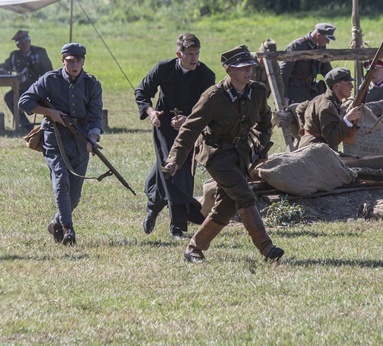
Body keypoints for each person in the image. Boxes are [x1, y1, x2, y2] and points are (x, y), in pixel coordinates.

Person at [163, 44, 284, 263]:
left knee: (227, 205)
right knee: (245, 195)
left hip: (241, 154)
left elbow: (266, 121)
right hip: (216, 153)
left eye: (249, 66)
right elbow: (190, 129)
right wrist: (174, 159)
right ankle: (267, 248)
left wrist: (261, 148)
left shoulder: (257, 91)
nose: (247, 71)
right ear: (228, 70)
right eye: (241, 67)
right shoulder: (213, 97)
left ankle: (194, 248)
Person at [18, 43, 103, 246]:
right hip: (54, 138)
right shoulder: (49, 79)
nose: (74, 65)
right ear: (62, 61)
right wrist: (50, 113)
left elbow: (95, 117)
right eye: (70, 61)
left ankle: (56, 221)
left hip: (81, 139)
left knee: (74, 195)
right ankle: (68, 230)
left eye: (78, 60)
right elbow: (24, 101)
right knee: (61, 182)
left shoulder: (92, 84)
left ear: (83, 61)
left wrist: (93, 139)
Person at [134, 33, 215, 241]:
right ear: (179, 54)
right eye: (189, 54)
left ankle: (153, 205)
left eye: (197, 54)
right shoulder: (163, 68)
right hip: (163, 124)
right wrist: (151, 112)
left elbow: (208, 108)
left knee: (180, 173)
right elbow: (142, 91)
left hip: (189, 127)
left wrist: (187, 121)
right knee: (170, 168)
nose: (193, 59)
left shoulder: (206, 75)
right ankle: (178, 228)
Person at [0, 30, 53, 133]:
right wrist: (3, 69)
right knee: (9, 97)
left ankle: (47, 124)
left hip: (39, 88)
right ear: (17, 46)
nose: (24, 45)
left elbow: (49, 71)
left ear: (29, 41)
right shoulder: (15, 56)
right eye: (20, 43)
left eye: (25, 42)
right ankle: (25, 124)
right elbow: (5, 66)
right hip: (21, 88)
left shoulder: (40, 52)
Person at [298, 67, 361, 151]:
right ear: (336, 86)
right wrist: (347, 119)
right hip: (315, 151)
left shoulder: (320, 99)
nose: (352, 86)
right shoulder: (328, 106)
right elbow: (332, 140)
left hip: (312, 147)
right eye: (348, 83)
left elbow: (301, 108)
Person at [280, 23, 335, 107]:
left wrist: (337, 84)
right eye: (327, 39)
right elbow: (284, 73)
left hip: (311, 90)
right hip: (295, 91)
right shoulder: (297, 46)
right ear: (318, 35)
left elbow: (326, 70)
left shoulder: (321, 47)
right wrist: (284, 96)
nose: (328, 42)